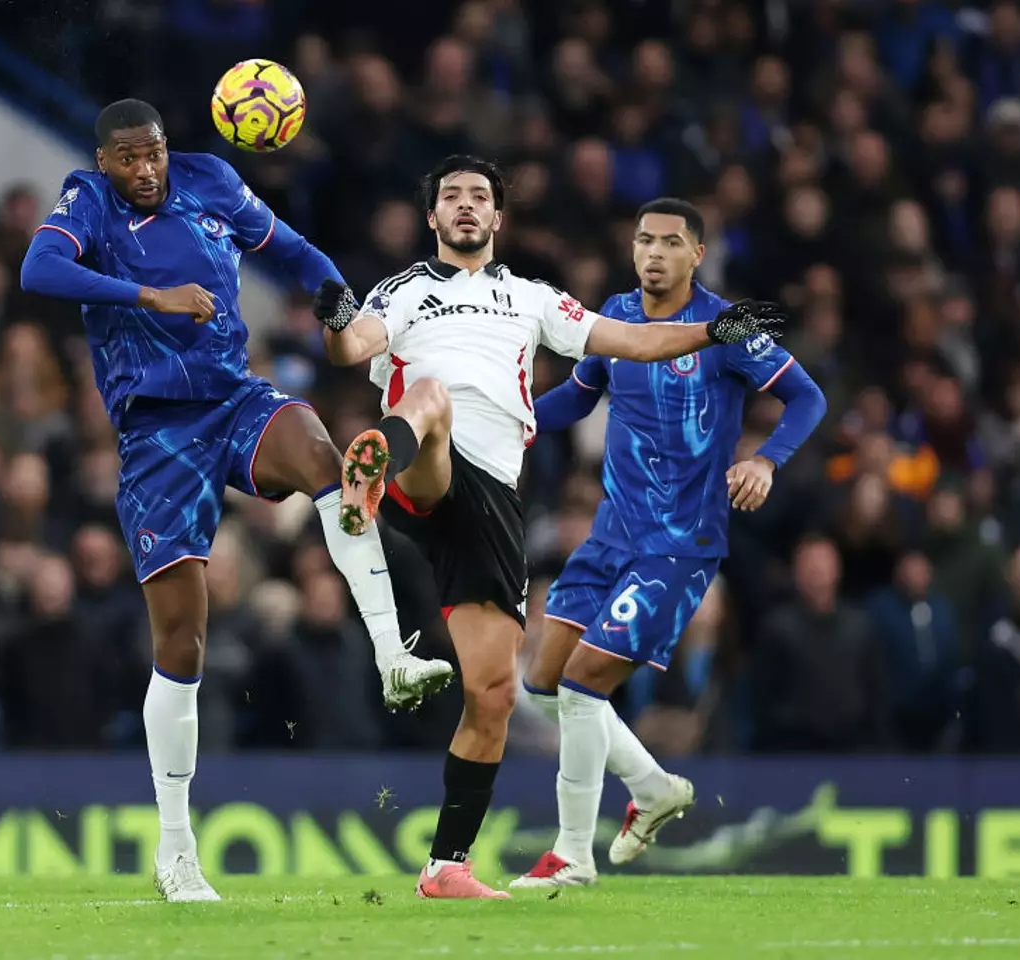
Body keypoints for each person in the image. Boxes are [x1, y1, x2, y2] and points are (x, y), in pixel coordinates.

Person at [315, 159, 786, 899]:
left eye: (479, 198)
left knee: (496, 693)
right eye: (451, 197)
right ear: (432, 217)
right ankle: (373, 467)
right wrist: (338, 320)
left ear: (498, 219)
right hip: (430, 468)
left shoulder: (533, 300)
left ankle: (446, 867)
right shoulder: (405, 290)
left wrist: (715, 330)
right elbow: (351, 347)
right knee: (431, 398)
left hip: (496, 502)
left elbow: (630, 341)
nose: (466, 207)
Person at [18, 99, 452, 901]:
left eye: (152, 152)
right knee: (182, 641)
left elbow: (289, 247)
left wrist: (332, 293)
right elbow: (37, 270)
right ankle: (176, 848)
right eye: (128, 158)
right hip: (157, 430)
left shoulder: (211, 179)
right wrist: (152, 296)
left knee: (329, 460)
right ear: (104, 160)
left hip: (236, 398)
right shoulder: (87, 199)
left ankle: (392, 654)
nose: (144, 170)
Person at [508, 198, 826, 888]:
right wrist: (515, 411)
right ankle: (652, 789)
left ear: (696, 254)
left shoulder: (726, 328)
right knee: (540, 687)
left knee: (585, 683)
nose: (653, 252)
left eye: (670, 242)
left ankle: (571, 855)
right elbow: (578, 398)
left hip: (680, 543)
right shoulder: (615, 317)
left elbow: (808, 397)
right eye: (643, 240)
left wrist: (766, 459)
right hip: (610, 533)